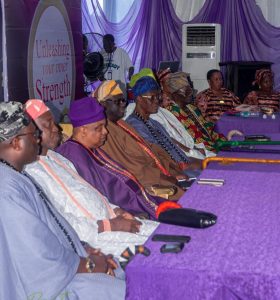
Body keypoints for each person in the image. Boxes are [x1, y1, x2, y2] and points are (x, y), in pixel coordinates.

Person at [0, 101, 125, 300]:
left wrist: (81, 247)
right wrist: (88, 264)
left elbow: (52, 226)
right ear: (16, 142)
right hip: (53, 286)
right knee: (125, 289)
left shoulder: (15, 176)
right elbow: (36, 255)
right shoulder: (6, 189)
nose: (38, 141)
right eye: (34, 135)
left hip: (69, 265)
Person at [24, 99, 158, 259]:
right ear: (31, 132)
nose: (56, 128)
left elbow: (91, 192)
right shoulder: (29, 174)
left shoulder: (56, 158)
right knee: (159, 252)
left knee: (168, 233)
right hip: (94, 238)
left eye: (53, 122)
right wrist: (110, 225)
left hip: (112, 220)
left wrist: (116, 210)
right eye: (48, 125)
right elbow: (60, 223)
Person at [57, 97, 166, 219]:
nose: (105, 132)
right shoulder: (72, 155)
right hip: (123, 215)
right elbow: (94, 200)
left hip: (137, 204)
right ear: (83, 130)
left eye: (104, 126)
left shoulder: (90, 148)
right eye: (98, 128)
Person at [94, 80, 185, 199]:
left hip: (161, 175)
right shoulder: (104, 133)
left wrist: (173, 170)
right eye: (118, 101)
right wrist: (167, 178)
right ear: (103, 104)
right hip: (147, 187)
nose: (123, 104)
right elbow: (131, 168)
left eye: (123, 100)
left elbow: (151, 150)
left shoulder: (121, 124)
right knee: (193, 198)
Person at [125, 75, 202, 178]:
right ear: (139, 99)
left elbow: (174, 149)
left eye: (158, 96)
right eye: (152, 97)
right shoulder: (135, 125)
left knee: (214, 166)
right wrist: (182, 168)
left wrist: (198, 162)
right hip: (170, 172)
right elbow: (155, 157)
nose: (157, 100)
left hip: (181, 165)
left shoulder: (154, 122)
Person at [161, 71, 226, 152]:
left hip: (212, 144)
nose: (191, 92)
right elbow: (189, 141)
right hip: (201, 151)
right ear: (176, 93)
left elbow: (208, 128)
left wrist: (223, 140)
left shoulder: (191, 107)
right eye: (186, 90)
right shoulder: (171, 112)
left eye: (189, 88)